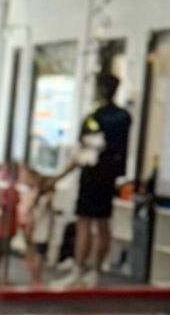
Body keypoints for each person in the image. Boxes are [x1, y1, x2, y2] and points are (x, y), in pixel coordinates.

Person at [54, 71, 133, 289]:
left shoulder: (93, 118)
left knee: (84, 223)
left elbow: (85, 153)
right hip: (111, 176)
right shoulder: (124, 118)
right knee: (103, 223)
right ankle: (96, 271)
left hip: (92, 175)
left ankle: (78, 270)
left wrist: (60, 175)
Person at [0, 161, 21, 287]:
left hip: (9, 225)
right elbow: (3, 206)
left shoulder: (11, 189)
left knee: (4, 253)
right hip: (4, 226)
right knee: (1, 253)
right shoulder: (6, 190)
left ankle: (2, 277)